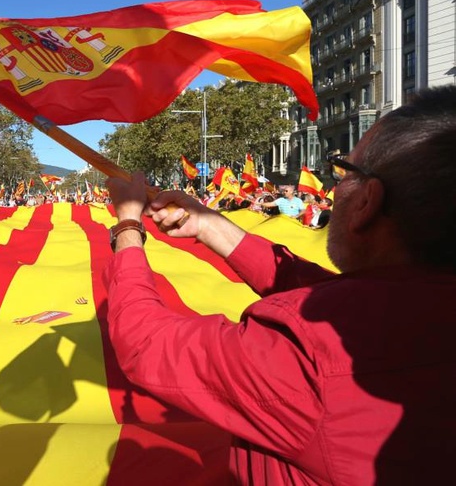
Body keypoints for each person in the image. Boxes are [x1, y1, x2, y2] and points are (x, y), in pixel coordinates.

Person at [103, 85, 456, 484]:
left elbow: (147, 344)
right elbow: (318, 295)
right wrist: (207, 225)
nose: (336, 185)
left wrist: (128, 224)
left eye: (344, 170)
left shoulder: (309, 354)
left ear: (367, 201)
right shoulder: (416, 310)